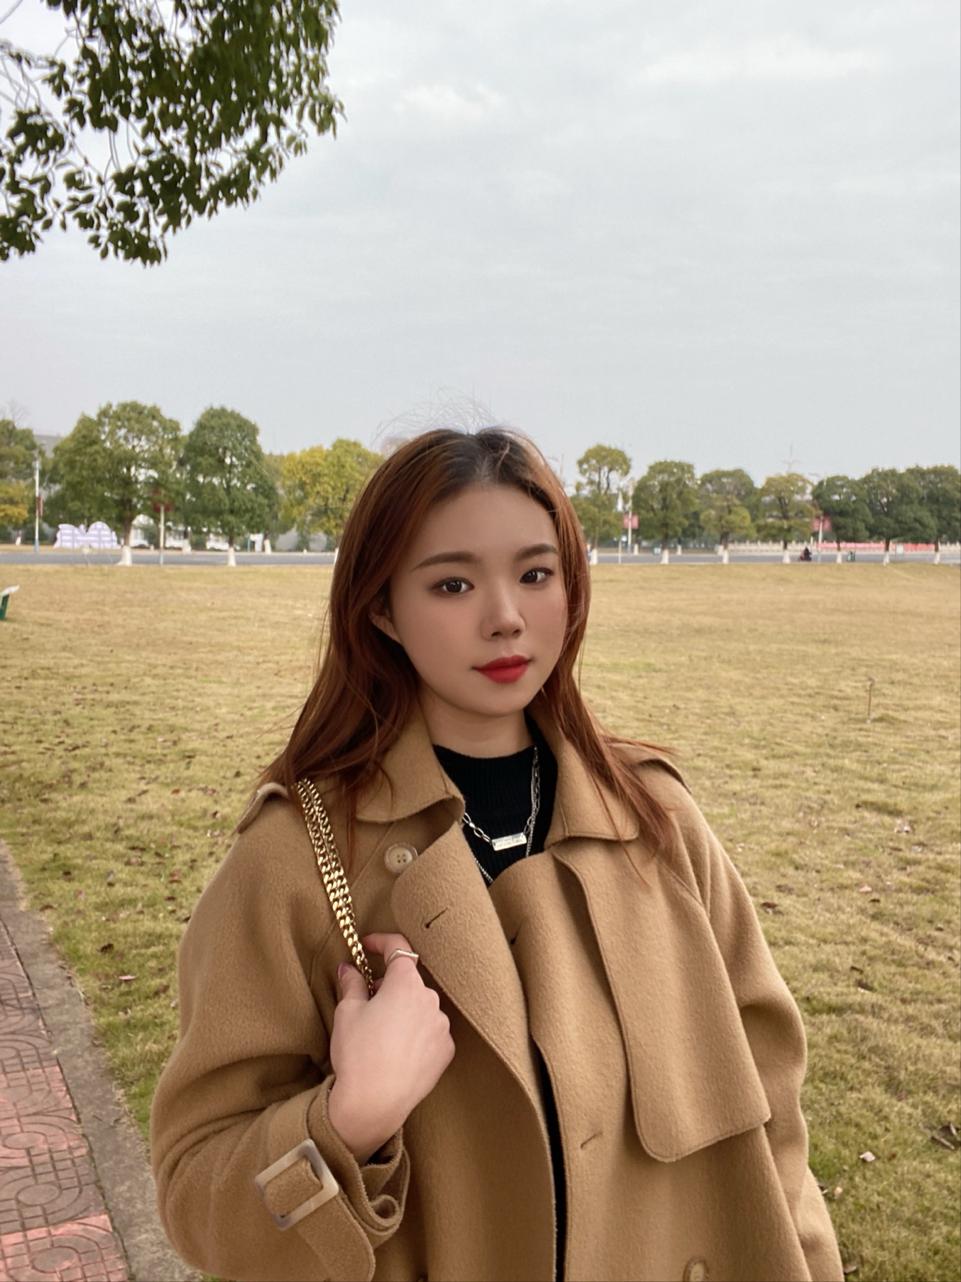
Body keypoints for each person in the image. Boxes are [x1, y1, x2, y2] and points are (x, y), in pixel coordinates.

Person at [150, 427, 845, 1282]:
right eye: (452, 583)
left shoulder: (656, 818)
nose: (506, 616)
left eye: (535, 574)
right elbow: (197, 1193)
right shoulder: (293, 860)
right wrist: (347, 1119)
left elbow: (773, 1105)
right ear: (380, 609)